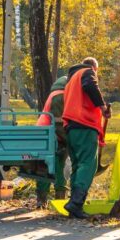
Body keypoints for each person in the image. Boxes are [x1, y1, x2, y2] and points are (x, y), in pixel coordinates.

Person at [61, 57, 111, 219]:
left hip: (71, 126)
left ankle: (74, 204)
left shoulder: (70, 81)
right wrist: (103, 107)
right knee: (88, 164)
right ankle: (76, 203)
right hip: (85, 124)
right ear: (94, 67)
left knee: (77, 165)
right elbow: (90, 85)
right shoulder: (87, 72)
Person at [36, 74, 69, 206]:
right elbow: (58, 122)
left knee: (44, 168)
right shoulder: (61, 96)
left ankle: (41, 200)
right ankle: (59, 200)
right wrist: (69, 141)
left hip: (45, 134)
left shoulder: (54, 94)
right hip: (53, 136)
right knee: (58, 168)